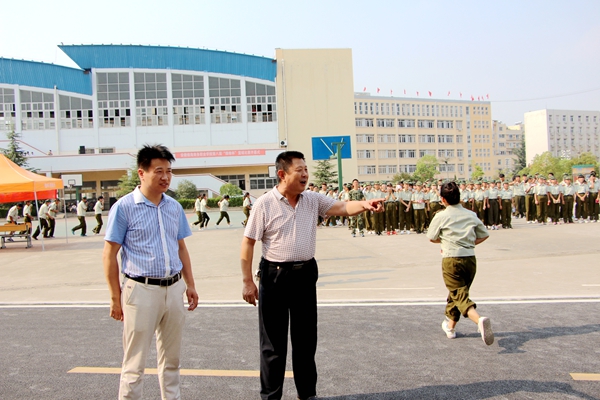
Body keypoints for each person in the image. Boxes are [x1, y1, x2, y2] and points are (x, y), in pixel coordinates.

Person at [240, 151, 384, 400]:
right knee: (273, 345)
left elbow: (341, 207)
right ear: (283, 174)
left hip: (305, 275)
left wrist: (364, 205)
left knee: (305, 341)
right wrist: (247, 282)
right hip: (274, 277)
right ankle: (270, 396)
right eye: (300, 170)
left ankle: (307, 394)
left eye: (306, 169)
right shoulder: (265, 203)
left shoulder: (312, 199)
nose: (306, 174)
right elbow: (248, 242)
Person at [102, 144, 198, 400]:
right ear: (141, 173)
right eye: (159, 171)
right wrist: (115, 297)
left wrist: (190, 284)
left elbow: (181, 248)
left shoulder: (173, 207)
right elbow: (109, 254)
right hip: (140, 290)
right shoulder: (124, 208)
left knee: (172, 361)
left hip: (174, 288)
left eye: (169, 171)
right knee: (135, 364)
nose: (165, 177)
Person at [426, 181, 493, 346]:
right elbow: (484, 235)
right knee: (458, 293)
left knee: (459, 294)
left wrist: (449, 242)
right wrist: (468, 243)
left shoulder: (441, 215)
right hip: (470, 258)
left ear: (443, 199)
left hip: (451, 259)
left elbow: (432, 237)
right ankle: (450, 327)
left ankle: (479, 320)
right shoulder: (471, 214)